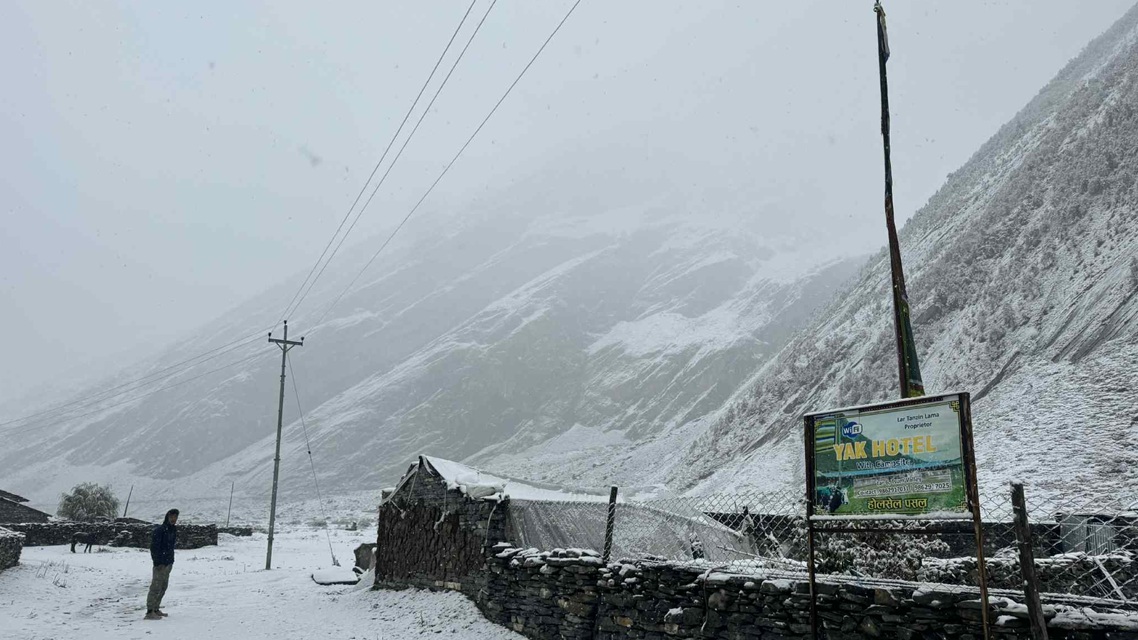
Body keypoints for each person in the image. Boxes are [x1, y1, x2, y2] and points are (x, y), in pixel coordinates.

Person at [145, 509, 179, 620]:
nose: (174, 519)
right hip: (160, 564)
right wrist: (157, 562)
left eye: (175, 517)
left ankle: (156, 608)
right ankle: (150, 611)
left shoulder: (173, 530)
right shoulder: (160, 530)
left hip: (168, 562)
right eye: (172, 517)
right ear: (167, 517)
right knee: (156, 586)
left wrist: (171, 560)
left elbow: (170, 546)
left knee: (163, 586)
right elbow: (154, 547)